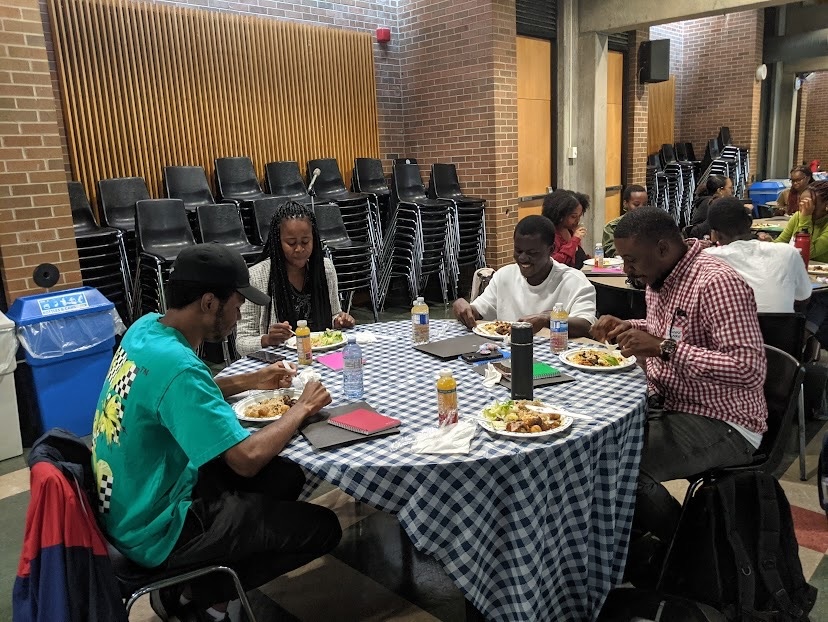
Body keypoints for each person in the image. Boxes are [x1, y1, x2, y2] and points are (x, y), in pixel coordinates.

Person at [91, 243, 342, 622]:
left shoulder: (146, 329)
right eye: (237, 302)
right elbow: (246, 461)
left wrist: (252, 379)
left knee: (286, 475)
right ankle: (205, 597)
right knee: (323, 528)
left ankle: (202, 585)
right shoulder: (178, 366)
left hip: (131, 503)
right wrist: (304, 408)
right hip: (159, 529)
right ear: (209, 302)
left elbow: (175, 394)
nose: (240, 311)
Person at [591, 207, 767, 583]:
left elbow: (750, 369)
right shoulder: (663, 278)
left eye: (631, 260)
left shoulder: (716, 283)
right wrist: (628, 326)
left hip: (725, 419)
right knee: (597, 451)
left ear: (662, 247)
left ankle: (693, 553)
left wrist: (663, 348)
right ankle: (631, 547)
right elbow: (664, 332)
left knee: (619, 469)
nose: (627, 270)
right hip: (671, 404)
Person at [236, 201, 355, 356]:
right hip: (280, 364)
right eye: (291, 243)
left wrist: (339, 321)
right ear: (277, 242)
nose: (299, 249)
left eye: (305, 242)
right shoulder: (257, 276)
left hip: (322, 357)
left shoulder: (325, 269)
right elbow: (242, 343)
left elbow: (333, 315)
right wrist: (267, 339)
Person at [452, 215, 596, 336]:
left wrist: (547, 319)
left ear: (551, 249)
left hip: (554, 357)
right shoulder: (505, 276)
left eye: (532, 253)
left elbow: (586, 325)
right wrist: (464, 307)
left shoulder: (574, 281)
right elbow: (480, 309)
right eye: (518, 250)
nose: (522, 258)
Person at [704, 197, 811, 313]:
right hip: (782, 329)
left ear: (714, 235)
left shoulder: (706, 259)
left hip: (733, 329)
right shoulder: (789, 252)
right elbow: (803, 297)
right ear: (750, 223)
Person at [763, 181, 828, 262]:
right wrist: (770, 242)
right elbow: (781, 244)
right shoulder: (798, 216)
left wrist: (805, 219)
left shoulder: (804, 217)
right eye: (801, 204)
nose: (803, 209)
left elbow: (807, 253)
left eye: (808, 205)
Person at [542, 189, 589, 268]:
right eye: (573, 217)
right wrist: (574, 240)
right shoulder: (549, 234)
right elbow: (555, 264)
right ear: (560, 215)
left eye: (579, 216)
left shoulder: (570, 230)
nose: (577, 221)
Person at [603, 184, 647, 257]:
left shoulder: (652, 224)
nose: (641, 208)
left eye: (644, 204)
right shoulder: (612, 226)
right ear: (625, 203)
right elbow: (612, 251)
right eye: (636, 204)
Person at [687, 174, 733, 239]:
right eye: (730, 188)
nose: (732, 191)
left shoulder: (710, 201)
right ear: (719, 191)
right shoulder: (711, 203)